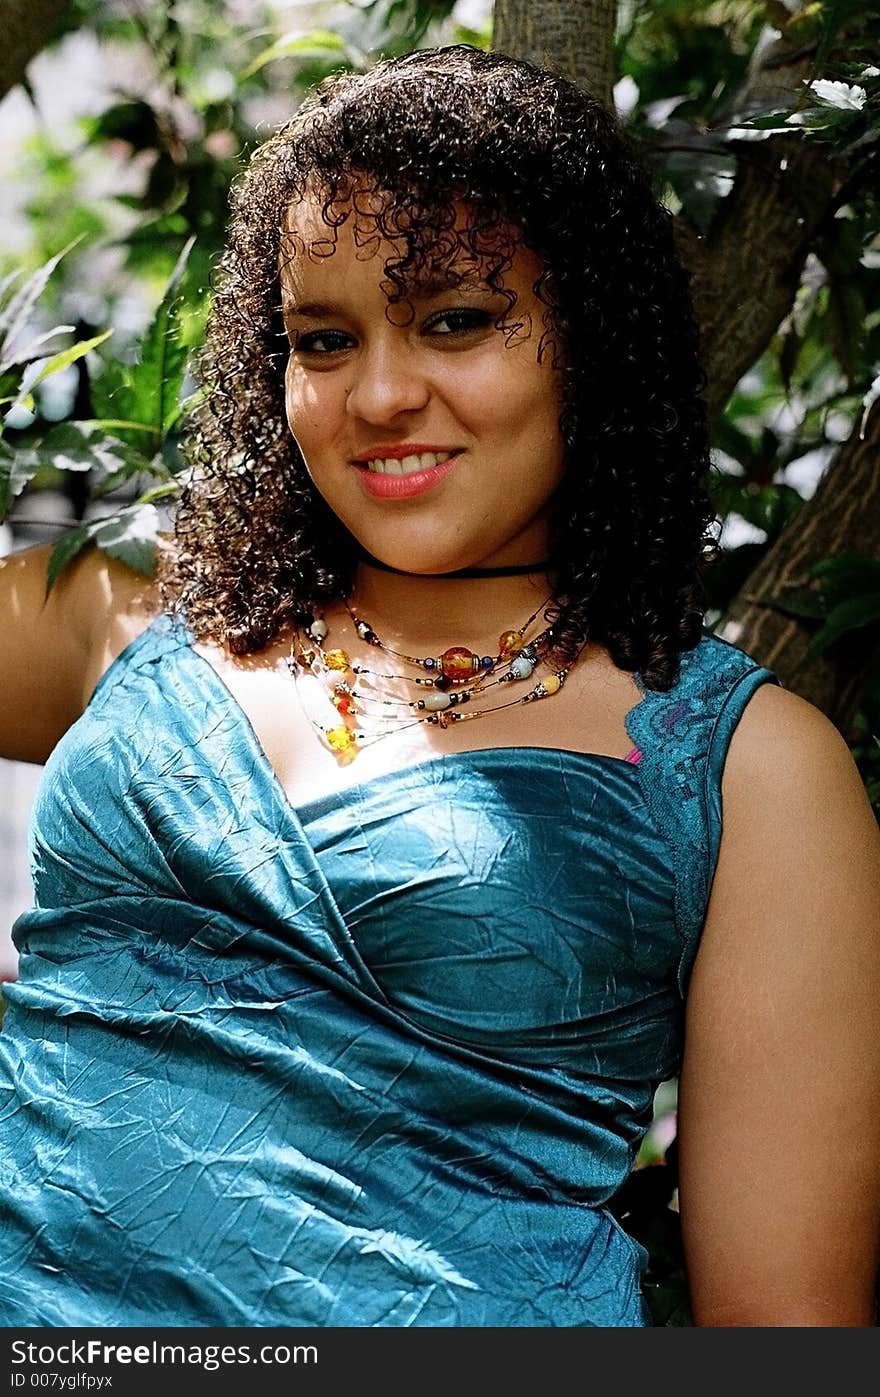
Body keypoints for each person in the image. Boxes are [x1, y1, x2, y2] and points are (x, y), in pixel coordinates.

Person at [0, 44, 878, 1329]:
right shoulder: (137, 617)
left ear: (591, 336)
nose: (382, 394)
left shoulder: (746, 765)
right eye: (322, 338)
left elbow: (781, 1331)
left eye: (456, 318)